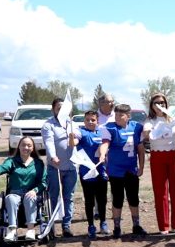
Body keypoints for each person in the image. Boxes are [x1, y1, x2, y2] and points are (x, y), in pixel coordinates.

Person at [98, 103, 147, 237]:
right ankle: (117, 228)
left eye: (121, 115)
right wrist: (102, 154)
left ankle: (136, 225)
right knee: (117, 199)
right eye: (117, 115)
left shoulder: (136, 127)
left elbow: (141, 150)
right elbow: (105, 143)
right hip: (115, 170)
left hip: (131, 169)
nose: (118, 117)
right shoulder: (110, 128)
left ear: (128, 116)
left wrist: (141, 167)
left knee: (133, 198)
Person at [0, 136, 47, 242]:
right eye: (23, 145)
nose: (26, 147)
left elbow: (43, 182)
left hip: (31, 193)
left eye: (29, 145)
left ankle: (31, 230)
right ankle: (12, 230)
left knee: (29, 197)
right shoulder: (12, 161)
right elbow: (3, 167)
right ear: (19, 147)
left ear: (33, 148)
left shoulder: (38, 163)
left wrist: (35, 191)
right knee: (10, 198)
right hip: (15, 193)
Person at [143, 93, 175, 234]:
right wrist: (154, 131)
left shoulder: (174, 118)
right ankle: (163, 226)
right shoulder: (150, 120)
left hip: (173, 155)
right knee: (160, 192)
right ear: (151, 106)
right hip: (157, 156)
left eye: (162, 102)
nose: (160, 105)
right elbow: (146, 134)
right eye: (156, 103)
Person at [69, 110, 109, 239]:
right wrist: (71, 137)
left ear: (97, 121)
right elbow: (73, 143)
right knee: (89, 200)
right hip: (87, 172)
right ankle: (91, 225)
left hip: (101, 171)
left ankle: (103, 222)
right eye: (87, 120)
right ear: (84, 121)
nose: (90, 122)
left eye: (93, 120)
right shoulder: (81, 132)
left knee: (102, 199)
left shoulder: (102, 132)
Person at [41, 98, 77, 238]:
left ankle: (66, 226)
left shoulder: (72, 124)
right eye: (58, 108)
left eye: (63, 108)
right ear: (53, 109)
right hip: (54, 167)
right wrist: (53, 156)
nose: (61, 110)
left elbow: (77, 139)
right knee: (53, 196)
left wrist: (74, 138)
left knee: (69, 197)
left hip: (71, 167)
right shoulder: (48, 125)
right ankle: (51, 226)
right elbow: (49, 142)